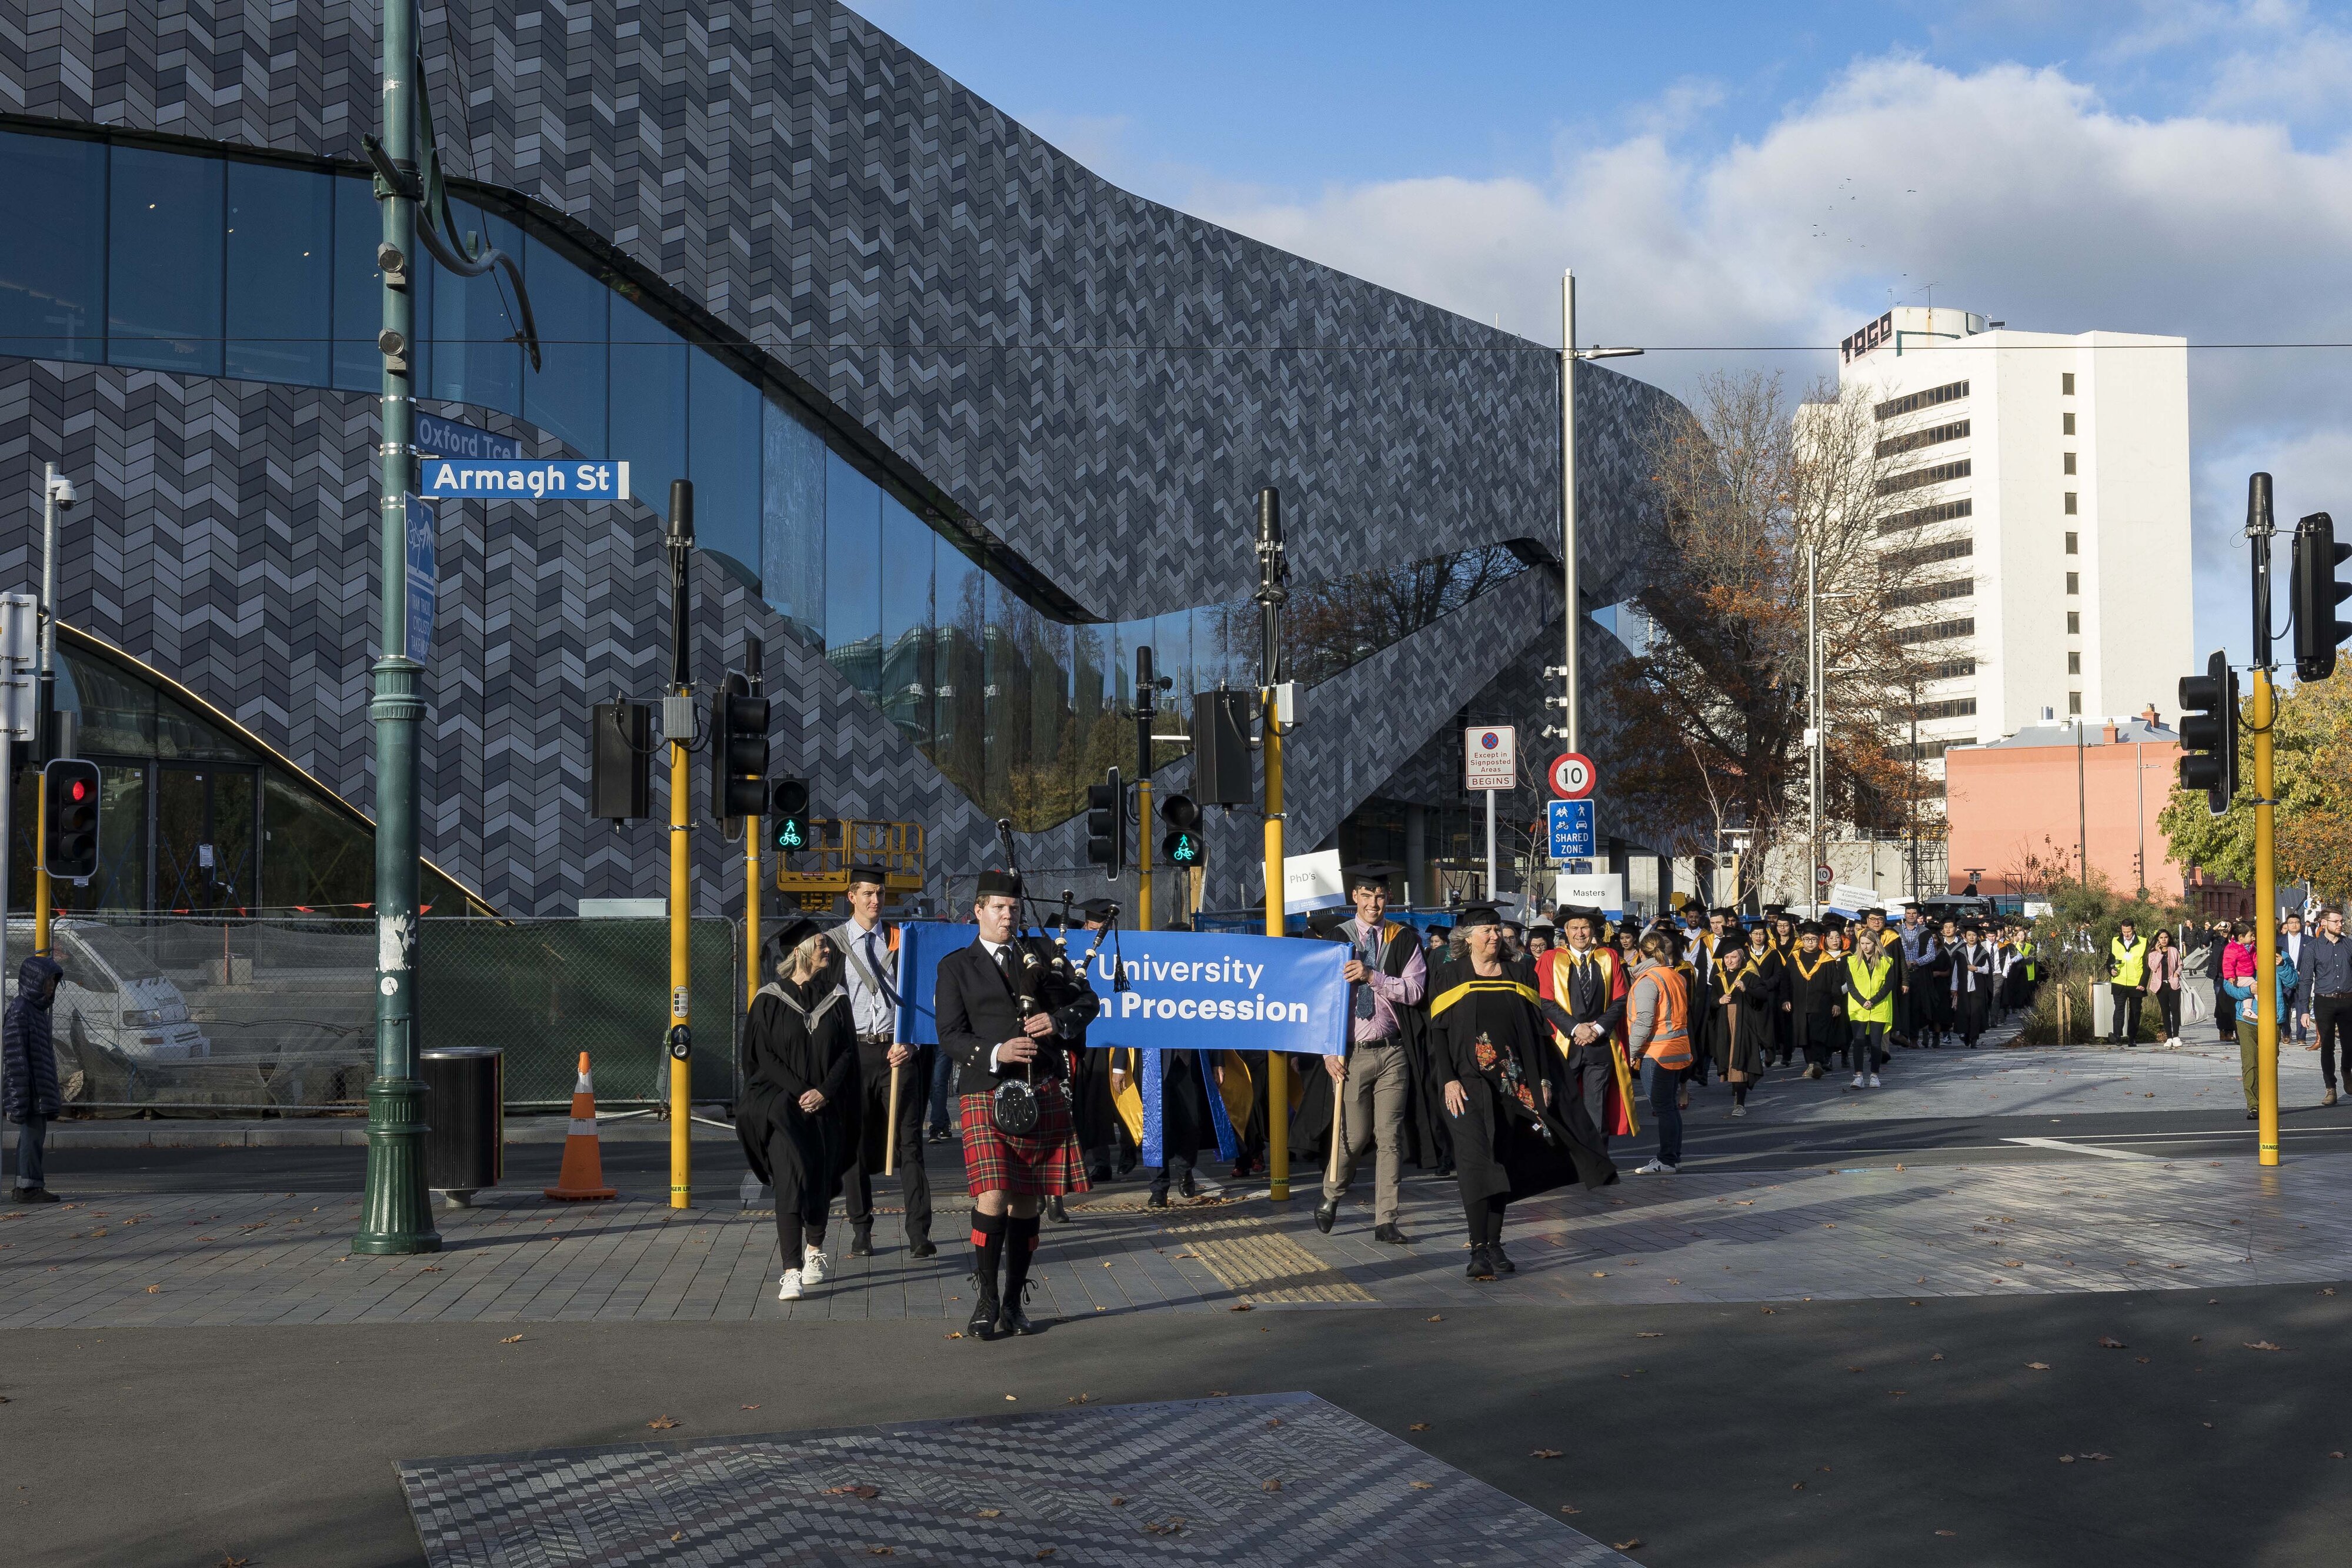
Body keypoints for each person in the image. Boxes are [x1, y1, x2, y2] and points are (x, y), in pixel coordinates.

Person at [933, 869, 1102, 1339]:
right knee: (994, 1195)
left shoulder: (1044, 954)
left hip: (1041, 1088)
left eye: (1014, 909)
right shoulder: (956, 967)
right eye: (1000, 908)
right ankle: (986, 1299)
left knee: (1026, 1202)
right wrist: (996, 1052)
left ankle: (1013, 1302)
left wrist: (1059, 1019)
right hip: (985, 1089)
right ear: (979, 912)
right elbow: (949, 1036)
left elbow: (1089, 1003)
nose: (1009, 916)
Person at [1430, 904, 1616, 1280]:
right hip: (1465, 1086)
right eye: (1487, 932)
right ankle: (1477, 1248)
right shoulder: (1448, 975)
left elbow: (1538, 1033)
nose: (1495, 937)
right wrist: (1447, 1078)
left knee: (1503, 1159)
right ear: (1468, 939)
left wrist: (1544, 1079)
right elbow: (1437, 1033)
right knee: (1474, 1161)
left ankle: (1494, 1244)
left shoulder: (1519, 972)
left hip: (1513, 1086)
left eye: (1497, 931)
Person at [736, 920, 860, 1301]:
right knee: (789, 1183)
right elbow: (762, 1056)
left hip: (825, 1106)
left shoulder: (835, 998)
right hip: (779, 1106)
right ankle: (791, 1271)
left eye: (827, 945)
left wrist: (823, 1091)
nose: (828, 950)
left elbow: (846, 1052)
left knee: (819, 1182)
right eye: (821, 945)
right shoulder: (769, 999)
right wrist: (801, 1090)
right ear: (799, 951)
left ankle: (813, 1250)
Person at [825, 865, 935, 1258]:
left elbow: (925, 1000)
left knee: (909, 1143)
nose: (876, 901)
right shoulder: (830, 945)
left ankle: (919, 1233)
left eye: (881, 894)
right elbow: (821, 1009)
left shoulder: (902, 941)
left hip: (897, 1052)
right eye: (868, 894)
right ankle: (861, 1230)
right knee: (852, 1144)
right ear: (851, 896)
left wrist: (912, 1042)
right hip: (853, 1054)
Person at [1316, 865, 1428, 1245]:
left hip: (1393, 1052)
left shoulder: (1404, 939)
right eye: (1366, 896)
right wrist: (1326, 1053)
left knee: (1389, 1137)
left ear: (1389, 898)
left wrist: (1372, 977)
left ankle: (1386, 1220)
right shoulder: (1335, 938)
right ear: (1355, 897)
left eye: (1380, 896)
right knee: (1355, 1136)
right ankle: (1331, 1195)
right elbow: (1320, 1000)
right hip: (1349, 1056)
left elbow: (1414, 992)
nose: (1373, 904)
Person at [1537, 907, 1632, 1147]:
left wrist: (1598, 1029)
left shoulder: (1609, 957)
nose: (1581, 933)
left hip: (1600, 1045)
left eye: (1585, 927)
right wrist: (1576, 1028)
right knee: (1562, 1105)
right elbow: (1545, 1000)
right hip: (1564, 1046)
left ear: (1593, 930)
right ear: (1566, 932)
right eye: (1575, 928)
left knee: (1596, 1110)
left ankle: (1598, 1162)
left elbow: (1621, 999)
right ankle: (1567, 1161)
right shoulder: (1551, 959)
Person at [1068, 898, 1128, 1185]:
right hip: (1082, 1040)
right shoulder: (1074, 949)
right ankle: (1096, 1161)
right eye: (1094, 926)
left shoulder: (1119, 948)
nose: (1097, 932)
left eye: (1102, 926)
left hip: (1112, 1041)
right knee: (1088, 1105)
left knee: (1115, 1101)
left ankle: (1127, 1149)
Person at [1626, 931, 1693, 1173]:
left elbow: (1644, 1020)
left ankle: (1666, 1160)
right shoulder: (1674, 976)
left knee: (1663, 1107)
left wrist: (1631, 1051)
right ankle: (1671, 1157)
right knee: (1670, 1108)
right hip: (1677, 1048)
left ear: (1641, 952)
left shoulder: (1648, 980)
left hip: (1657, 1051)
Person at [2219, 921, 2298, 1119]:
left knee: (2270, 1063)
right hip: (2246, 1019)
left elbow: (2293, 982)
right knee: (2251, 1063)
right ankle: (2254, 1105)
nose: (2256, 940)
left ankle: (2269, 1103)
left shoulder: (2280, 955)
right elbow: (2228, 987)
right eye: (2254, 936)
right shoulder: (2238, 954)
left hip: (2273, 1018)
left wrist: (2281, 966)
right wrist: (2248, 990)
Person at [4, 955, 65, 1203]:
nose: (51, 986)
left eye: (53, 981)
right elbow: (15, 1057)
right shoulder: (22, 1011)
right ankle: (29, 1189)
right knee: (32, 1137)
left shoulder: (35, 1010)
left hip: (36, 1088)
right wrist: (18, 1098)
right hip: (31, 1090)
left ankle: (27, 1185)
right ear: (34, 980)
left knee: (33, 1138)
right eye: (48, 981)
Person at [1702, 939, 1773, 1115]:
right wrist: (1719, 1001)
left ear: (1742, 958)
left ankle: (1740, 1103)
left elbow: (1764, 997)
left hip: (1744, 1025)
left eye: (1734, 957)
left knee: (1740, 1063)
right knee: (1729, 1061)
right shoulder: (1719, 979)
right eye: (1726, 957)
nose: (1730, 960)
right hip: (1724, 1025)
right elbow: (1711, 1004)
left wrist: (1746, 990)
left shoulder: (1750, 977)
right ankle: (1736, 1095)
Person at [2302, 907, 2352, 1107]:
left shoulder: (2348, 945)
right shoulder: (2313, 948)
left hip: (2348, 1000)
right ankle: (2330, 1087)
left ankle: (2346, 1069)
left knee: (2350, 1045)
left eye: (2341, 921)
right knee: (2327, 1046)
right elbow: (2305, 980)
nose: (2340, 924)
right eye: (2336, 921)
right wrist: (2304, 1009)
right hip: (2324, 1001)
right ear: (2324, 923)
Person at [1785, 922, 1844, 1080]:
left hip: (1821, 1005)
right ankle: (1813, 1063)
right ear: (1802, 939)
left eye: (1813, 939)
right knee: (1804, 1035)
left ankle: (1816, 1063)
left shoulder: (1826, 959)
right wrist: (1785, 999)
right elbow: (1786, 981)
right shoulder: (1794, 958)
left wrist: (1837, 1002)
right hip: (1799, 1004)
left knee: (1818, 1034)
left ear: (1819, 939)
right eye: (1806, 939)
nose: (1810, 942)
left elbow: (1835, 983)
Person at [1843, 930, 1896, 1088]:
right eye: (1862, 943)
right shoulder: (1852, 961)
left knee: (1875, 1043)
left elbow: (1888, 985)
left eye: (1868, 943)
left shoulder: (1887, 962)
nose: (1865, 947)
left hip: (1879, 1006)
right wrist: (1862, 1001)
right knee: (1858, 1042)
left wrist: (1873, 1001)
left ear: (1875, 944)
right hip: (1858, 1007)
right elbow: (1850, 985)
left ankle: (1874, 1075)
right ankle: (1858, 1076)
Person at [1742, 920, 1790, 1068]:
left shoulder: (1773, 953)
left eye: (1761, 934)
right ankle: (1757, 1053)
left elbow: (1779, 974)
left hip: (1769, 994)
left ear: (1765, 935)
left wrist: (1766, 985)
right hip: (1750, 994)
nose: (1758, 937)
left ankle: (1770, 1049)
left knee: (1769, 1024)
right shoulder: (1744, 953)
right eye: (1755, 934)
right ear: (1750, 935)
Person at [1950, 924, 1997, 1048]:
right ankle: (1965, 1035)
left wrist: (1976, 969)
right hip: (1963, 988)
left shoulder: (1983, 952)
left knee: (1976, 1013)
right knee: (1965, 1013)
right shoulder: (1960, 952)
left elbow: (1988, 969)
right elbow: (1956, 970)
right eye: (1969, 935)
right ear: (1965, 937)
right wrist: (1954, 987)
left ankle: (1974, 1039)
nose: (1972, 938)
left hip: (1978, 989)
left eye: (1974, 935)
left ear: (1978, 937)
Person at [2107, 919, 2150, 1046]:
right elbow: (2110, 960)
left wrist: (2143, 982)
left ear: (2134, 929)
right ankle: (2117, 1037)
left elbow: (2146, 965)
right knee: (2119, 1009)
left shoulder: (2143, 942)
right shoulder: (2115, 941)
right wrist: (2111, 970)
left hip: (2136, 982)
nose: (2126, 934)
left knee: (2136, 1011)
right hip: (2119, 982)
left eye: (2129, 932)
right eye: (2124, 931)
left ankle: (2132, 1038)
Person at [2144, 928, 2184, 1049]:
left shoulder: (2174, 950)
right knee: (2165, 1011)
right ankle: (2169, 1037)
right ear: (2157, 939)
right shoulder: (2153, 953)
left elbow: (2180, 964)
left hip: (2173, 984)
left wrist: (2177, 973)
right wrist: (2160, 953)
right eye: (2161, 938)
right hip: (2160, 986)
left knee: (2175, 1010)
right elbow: (2153, 967)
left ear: (2169, 938)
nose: (2163, 940)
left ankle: (2176, 1036)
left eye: (2166, 937)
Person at [2281, 912, 2310, 1047]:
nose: (2294, 925)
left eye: (2296, 922)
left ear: (2301, 924)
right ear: (2286, 925)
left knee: (2302, 1007)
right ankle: (2286, 1033)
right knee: (2284, 1007)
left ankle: (2301, 1036)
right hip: (2284, 979)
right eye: (2291, 922)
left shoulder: (2309, 941)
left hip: (2302, 979)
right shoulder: (2279, 941)